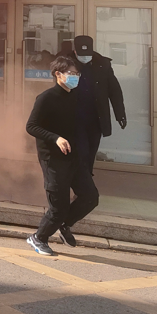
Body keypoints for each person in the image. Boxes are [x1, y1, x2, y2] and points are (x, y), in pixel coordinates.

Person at [24, 54, 100, 257]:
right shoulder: (46, 98)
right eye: (71, 73)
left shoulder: (76, 97)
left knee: (90, 197)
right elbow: (31, 126)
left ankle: (65, 224)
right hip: (53, 159)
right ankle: (38, 238)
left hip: (75, 158)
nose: (75, 77)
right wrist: (55, 138)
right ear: (58, 74)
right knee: (59, 206)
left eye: (77, 74)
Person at [72, 35, 127, 174]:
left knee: (91, 151)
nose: (85, 57)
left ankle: (86, 177)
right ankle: (83, 181)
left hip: (96, 117)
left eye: (87, 54)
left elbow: (114, 91)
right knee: (80, 151)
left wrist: (120, 114)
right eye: (81, 54)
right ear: (75, 51)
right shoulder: (65, 63)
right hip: (74, 117)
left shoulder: (103, 65)